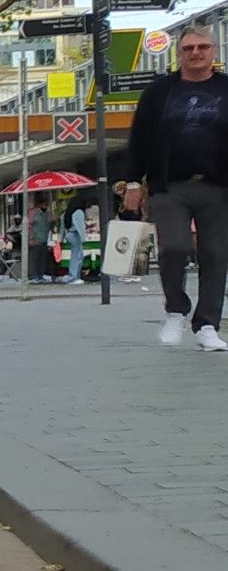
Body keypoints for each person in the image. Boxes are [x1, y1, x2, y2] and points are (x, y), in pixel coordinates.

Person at [116, 20, 228, 348]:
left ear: (214, 52)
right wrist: (134, 182)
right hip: (170, 186)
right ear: (178, 53)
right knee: (174, 248)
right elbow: (138, 138)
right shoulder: (159, 92)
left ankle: (207, 326)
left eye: (202, 47)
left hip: (217, 186)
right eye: (188, 48)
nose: (196, 53)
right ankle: (175, 310)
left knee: (215, 254)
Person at [65, 196, 90, 284]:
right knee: (77, 255)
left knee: (76, 254)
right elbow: (80, 227)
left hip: (69, 233)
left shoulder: (69, 212)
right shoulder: (79, 212)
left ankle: (74, 276)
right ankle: (73, 277)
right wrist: (84, 239)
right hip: (75, 234)